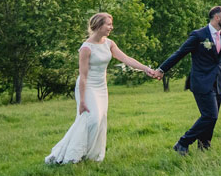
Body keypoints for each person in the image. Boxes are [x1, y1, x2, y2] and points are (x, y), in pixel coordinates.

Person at [45, 12, 162, 165]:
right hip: (87, 87)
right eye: (108, 24)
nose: (111, 27)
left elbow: (125, 59)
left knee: (100, 120)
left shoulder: (109, 43)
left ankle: (92, 156)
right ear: (99, 26)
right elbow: (83, 76)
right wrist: (81, 101)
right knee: (92, 119)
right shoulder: (86, 48)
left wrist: (146, 69)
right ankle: (72, 154)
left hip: (101, 87)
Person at [157, 6, 221, 156]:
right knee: (210, 115)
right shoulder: (199, 35)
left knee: (211, 118)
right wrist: (162, 69)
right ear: (217, 18)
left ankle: (204, 146)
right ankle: (183, 143)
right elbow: (180, 53)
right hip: (201, 82)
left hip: (218, 83)